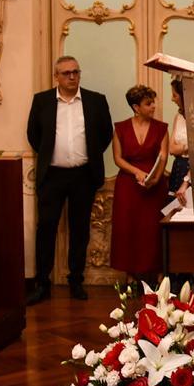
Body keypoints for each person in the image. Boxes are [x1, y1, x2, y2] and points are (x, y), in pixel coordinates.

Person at [25, 56, 114, 304]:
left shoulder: (95, 101)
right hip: (52, 175)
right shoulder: (42, 101)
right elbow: (34, 135)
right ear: (57, 77)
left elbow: (105, 134)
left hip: (83, 175)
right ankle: (42, 283)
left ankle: (76, 280)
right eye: (66, 73)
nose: (71, 77)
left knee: (79, 229)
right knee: (46, 229)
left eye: (75, 72)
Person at [109, 84, 169, 283]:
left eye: (153, 102)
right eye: (148, 103)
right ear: (136, 107)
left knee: (152, 230)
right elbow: (118, 159)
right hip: (128, 185)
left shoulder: (162, 128)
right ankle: (130, 276)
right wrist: (137, 172)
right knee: (128, 229)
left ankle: (159, 275)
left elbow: (163, 156)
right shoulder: (120, 128)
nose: (153, 107)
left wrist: (155, 179)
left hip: (155, 186)